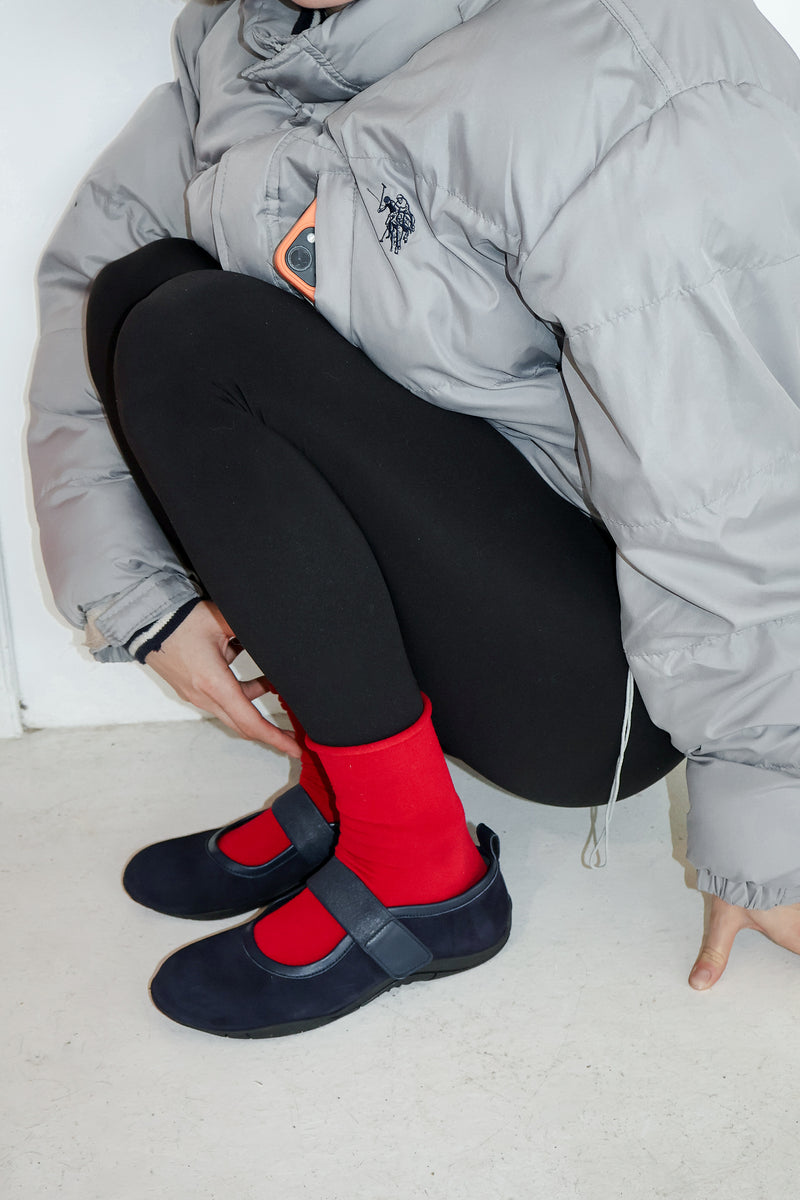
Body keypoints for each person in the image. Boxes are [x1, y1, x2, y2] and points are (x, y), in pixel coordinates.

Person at [28, 0, 800, 1036]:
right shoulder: (244, 41)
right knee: (143, 291)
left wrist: (768, 813)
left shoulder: (615, 50)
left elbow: (733, 461)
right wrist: (141, 601)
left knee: (198, 338)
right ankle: (353, 793)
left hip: (609, 678)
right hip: (484, 568)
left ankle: (420, 878)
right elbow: (92, 276)